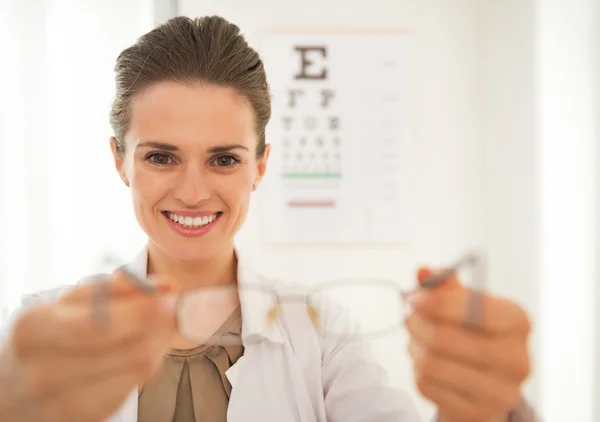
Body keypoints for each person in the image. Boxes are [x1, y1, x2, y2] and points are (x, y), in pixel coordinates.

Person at [0, 15, 537, 422]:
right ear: (120, 160)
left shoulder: (325, 338)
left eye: (224, 159)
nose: (191, 192)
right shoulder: (39, 330)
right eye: (161, 157)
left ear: (260, 165)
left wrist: (493, 407)